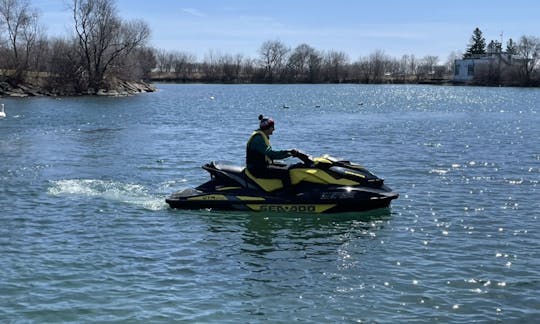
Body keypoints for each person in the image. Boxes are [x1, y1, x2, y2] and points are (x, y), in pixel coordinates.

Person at [246, 115, 299, 186]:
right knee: (285, 173)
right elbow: (271, 154)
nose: (274, 129)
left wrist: (289, 152)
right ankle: (287, 194)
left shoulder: (263, 136)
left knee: (288, 167)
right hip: (256, 169)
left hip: (263, 165)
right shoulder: (258, 139)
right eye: (272, 127)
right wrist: (288, 153)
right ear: (267, 128)